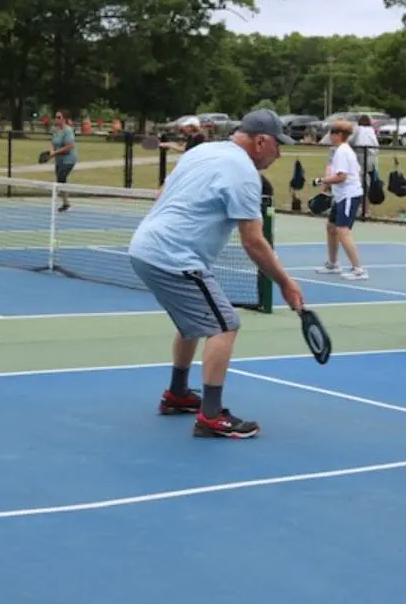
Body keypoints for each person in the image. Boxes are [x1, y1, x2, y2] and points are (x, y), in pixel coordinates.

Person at [128, 108, 304, 439]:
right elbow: (253, 242)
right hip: (173, 256)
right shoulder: (244, 173)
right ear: (261, 141)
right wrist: (285, 282)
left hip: (144, 248)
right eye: (277, 146)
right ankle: (211, 416)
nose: (278, 154)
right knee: (225, 324)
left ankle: (178, 394)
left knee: (194, 322)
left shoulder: (203, 151)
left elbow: (161, 195)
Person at [313, 120, 368, 279]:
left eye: (332, 133)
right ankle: (333, 264)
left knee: (343, 231)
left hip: (349, 196)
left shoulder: (343, 152)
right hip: (342, 196)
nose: (329, 136)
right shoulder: (342, 151)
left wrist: (321, 181)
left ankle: (358, 269)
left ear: (338, 135)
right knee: (331, 227)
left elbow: (341, 177)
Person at [45, 110, 77, 212]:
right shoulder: (56, 130)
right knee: (60, 180)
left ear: (64, 119)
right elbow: (53, 142)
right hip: (59, 159)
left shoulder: (68, 131)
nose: (56, 119)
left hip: (69, 159)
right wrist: (51, 152)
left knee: (61, 178)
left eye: (59, 117)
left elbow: (70, 146)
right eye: (56, 117)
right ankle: (66, 204)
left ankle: (65, 203)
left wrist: (55, 153)